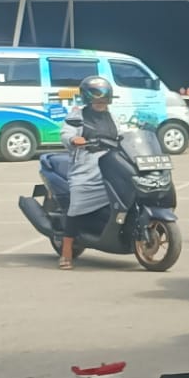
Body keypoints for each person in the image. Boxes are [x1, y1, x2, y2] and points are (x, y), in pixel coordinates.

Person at [56, 75, 120, 270]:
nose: (100, 103)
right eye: (96, 99)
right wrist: (73, 140)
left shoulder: (112, 117)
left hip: (110, 163)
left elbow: (124, 134)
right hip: (85, 166)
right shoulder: (78, 115)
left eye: (103, 99)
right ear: (87, 98)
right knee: (78, 202)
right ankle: (66, 251)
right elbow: (66, 133)